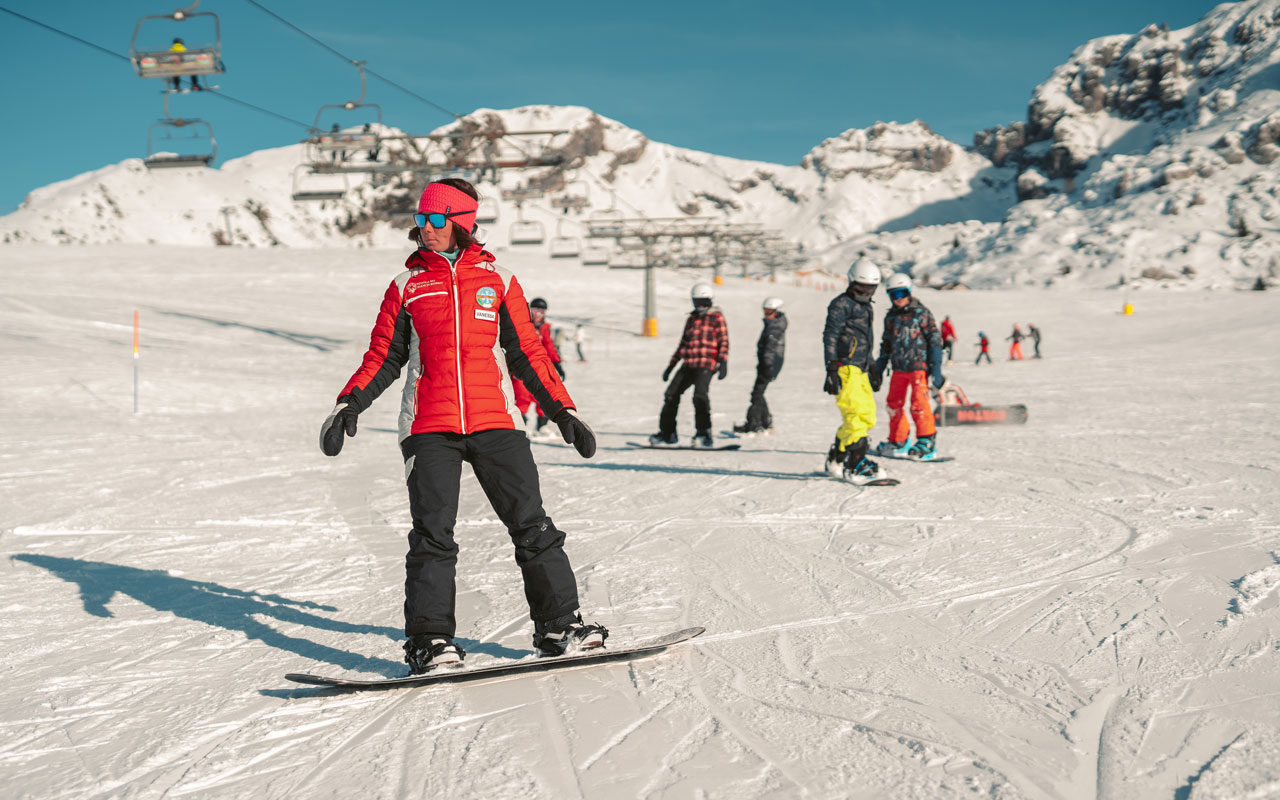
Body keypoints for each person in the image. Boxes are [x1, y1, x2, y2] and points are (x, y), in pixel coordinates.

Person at [319, 178, 606, 675]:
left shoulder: (500, 281)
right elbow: (384, 356)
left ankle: (559, 626)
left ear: (461, 222)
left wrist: (563, 410)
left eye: (435, 220)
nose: (425, 229)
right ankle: (429, 642)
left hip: (497, 420)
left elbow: (527, 353)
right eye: (421, 219)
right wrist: (350, 403)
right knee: (433, 537)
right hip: (428, 425)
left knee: (532, 525)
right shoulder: (406, 285)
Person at [822, 259, 885, 480]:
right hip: (844, 367)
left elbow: (865, 339)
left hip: (861, 368)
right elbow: (830, 335)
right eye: (861, 288)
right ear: (851, 282)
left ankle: (838, 455)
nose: (865, 293)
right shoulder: (841, 304)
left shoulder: (866, 307)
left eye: (871, 289)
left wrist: (873, 366)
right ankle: (855, 463)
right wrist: (831, 367)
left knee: (866, 415)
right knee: (855, 414)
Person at [872, 273, 944, 460]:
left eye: (902, 293)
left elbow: (935, 340)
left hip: (919, 367)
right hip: (898, 368)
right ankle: (898, 440)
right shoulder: (891, 317)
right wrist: (878, 368)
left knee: (919, 405)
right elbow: (886, 344)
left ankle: (926, 440)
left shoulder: (922, 313)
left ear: (909, 292)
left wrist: (935, 368)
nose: (899, 299)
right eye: (894, 295)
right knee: (893, 404)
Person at [650, 283, 729, 448]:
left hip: (706, 364)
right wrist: (671, 366)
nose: (700, 306)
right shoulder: (691, 319)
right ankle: (668, 433)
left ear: (710, 301)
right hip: (689, 364)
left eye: (704, 302)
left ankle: (704, 434)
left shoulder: (717, 317)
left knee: (699, 396)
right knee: (671, 395)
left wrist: (723, 362)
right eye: (697, 302)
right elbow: (683, 344)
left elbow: (724, 341)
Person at [512, 297, 565, 436]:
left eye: (541, 311)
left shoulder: (544, 328)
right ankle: (521, 427)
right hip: (522, 367)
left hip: (539, 367)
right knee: (522, 396)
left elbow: (549, 346)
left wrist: (557, 364)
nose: (538, 314)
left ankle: (542, 426)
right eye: (535, 310)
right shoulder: (522, 325)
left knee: (542, 396)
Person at [734, 297, 786, 434]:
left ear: (777, 311)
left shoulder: (775, 327)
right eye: (765, 311)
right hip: (768, 363)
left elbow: (770, 347)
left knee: (757, 393)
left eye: (770, 312)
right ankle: (764, 421)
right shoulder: (773, 324)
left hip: (770, 364)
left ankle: (755, 423)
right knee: (758, 392)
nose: (766, 314)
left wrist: (768, 364)